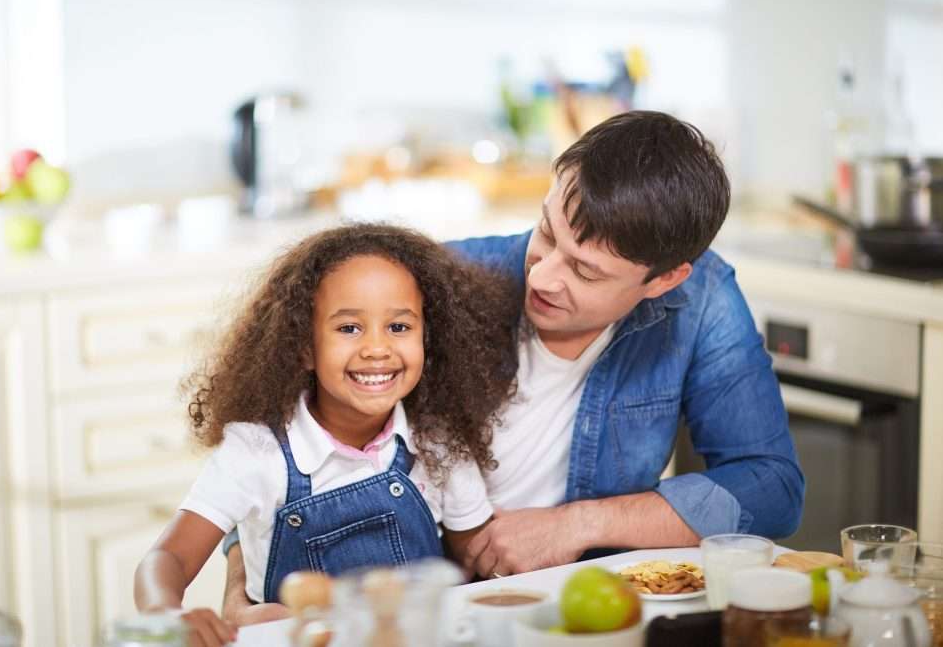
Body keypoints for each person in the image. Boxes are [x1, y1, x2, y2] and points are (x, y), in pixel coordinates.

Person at [221, 110, 805, 619]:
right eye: (547, 234)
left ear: (666, 278)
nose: (544, 276)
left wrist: (574, 526)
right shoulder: (443, 285)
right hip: (411, 604)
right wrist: (240, 584)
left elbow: (772, 488)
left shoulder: (701, 300)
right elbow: (271, 428)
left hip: (580, 605)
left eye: (585, 271)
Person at [135, 224, 519, 646]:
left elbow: (472, 563)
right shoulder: (256, 451)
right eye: (349, 328)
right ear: (303, 347)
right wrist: (166, 612)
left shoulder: (439, 443)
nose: (377, 348)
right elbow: (167, 557)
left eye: (399, 327)